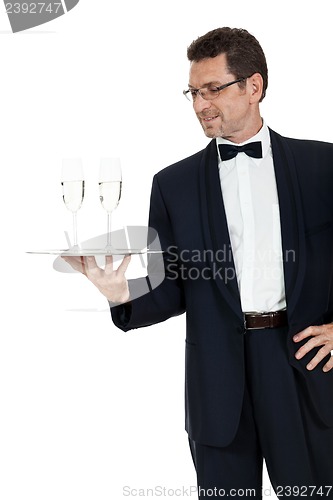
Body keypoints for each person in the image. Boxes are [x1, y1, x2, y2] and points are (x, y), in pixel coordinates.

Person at [63, 28, 333, 499]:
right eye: (193, 92)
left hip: (303, 369)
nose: (200, 104)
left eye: (213, 89)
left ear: (254, 87)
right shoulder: (174, 184)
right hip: (217, 378)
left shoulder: (323, 167)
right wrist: (121, 292)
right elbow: (173, 286)